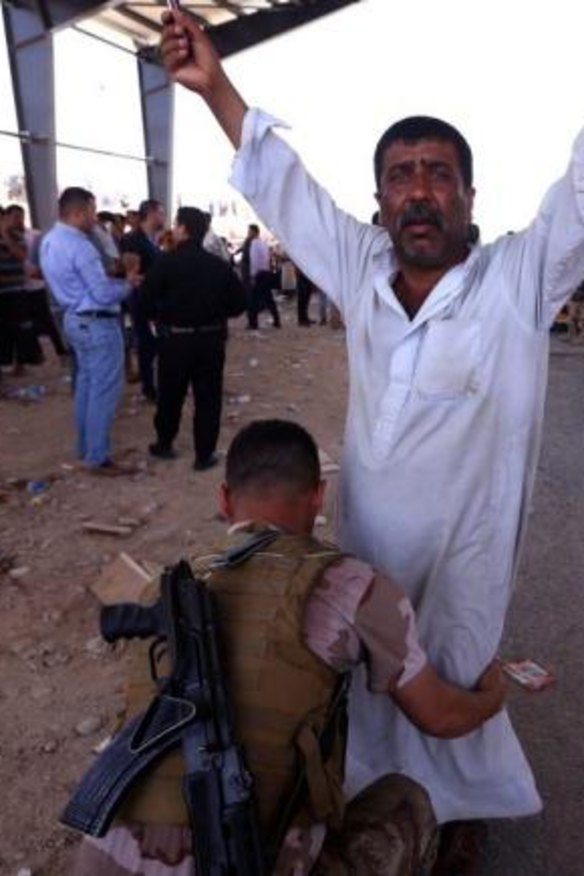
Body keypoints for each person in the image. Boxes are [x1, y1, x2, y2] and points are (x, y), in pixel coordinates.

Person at [159, 10, 584, 849]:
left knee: (448, 675)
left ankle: (455, 822)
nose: (418, 190)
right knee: (362, 685)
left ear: (470, 195)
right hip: (366, 549)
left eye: (437, 174)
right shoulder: (360, 267)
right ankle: (375, 810)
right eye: (399, 174)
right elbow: (286, 187)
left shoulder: (520, 279)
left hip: (464, 561)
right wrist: (216, 88)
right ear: (381, 197)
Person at [73, 418, 505, 876]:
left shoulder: (169, 587)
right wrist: (493, 697)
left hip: (104, 858)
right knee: (409, 801)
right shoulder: (352, 586)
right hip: (247, 857)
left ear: (223, 499)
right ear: (319, 497)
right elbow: (439, 716)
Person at [40, 187, 141, 474]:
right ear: (78, 212)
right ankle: (98, 456)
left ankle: (85, 446)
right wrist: (128, 285)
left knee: (86, 385)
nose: (95, 218)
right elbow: (101, 293)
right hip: (96, 321)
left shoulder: (50, 241)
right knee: (104, 390)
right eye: (92, 212)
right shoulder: (81, 246)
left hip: (73, 318)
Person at [142, 206, 246, 469]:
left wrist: (160, 314)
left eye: (176, 225)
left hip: (174, 341)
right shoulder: (219, 266)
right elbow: (239, 303)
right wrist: (216, 313)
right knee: (208, 398)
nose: (173, 230)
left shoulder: (165, 262)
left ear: (184, 229)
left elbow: (144, 299)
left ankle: (164, 443)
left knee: (170, 395)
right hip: (210, 341)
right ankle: (204, 454)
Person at [119, 198, 166, 401]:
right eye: (161, 213)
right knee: (147, 344)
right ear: (152, 213)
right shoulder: (133, 240)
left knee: (156, 344)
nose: (163, 217)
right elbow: (130, 274)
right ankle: (149, 387)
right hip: (141, 301)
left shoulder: (153, 240)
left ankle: (153, 383)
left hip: (155, 300)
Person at [248, 223, 281, 329]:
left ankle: (253, 323)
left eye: (249, 231)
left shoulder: (254, 243)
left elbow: (254, 261)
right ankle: (277, 320)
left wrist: (252, 276)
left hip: (258, 274)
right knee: (269, 298)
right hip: (266, 273)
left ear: (253, 232)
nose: (248, 233)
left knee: (254, 300)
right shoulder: (263, 243)